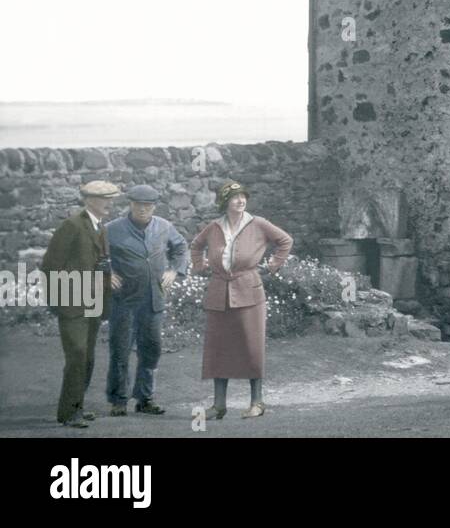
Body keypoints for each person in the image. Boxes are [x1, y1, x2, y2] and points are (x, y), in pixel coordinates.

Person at [190, 180, 293, 418]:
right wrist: (199, 265)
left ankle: (257, 402)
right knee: (218, 348)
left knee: (251, 347)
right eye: (235, 197)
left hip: (250, 291)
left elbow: (285, 241)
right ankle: (218, 406)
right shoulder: (214, 227)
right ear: (225, 202)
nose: (240, 200)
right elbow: (196, 245)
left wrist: (274, 264)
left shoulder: (257, 223)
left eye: (243, 196)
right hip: (218, 293)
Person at [105, 184, 189, 416]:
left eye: (148, 205)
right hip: (123, 302)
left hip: (153, 302)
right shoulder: (112, 229)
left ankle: (145, 398)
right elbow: (95, 254)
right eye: (138, 204)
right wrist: (105, 273)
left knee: (151, 350)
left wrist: (174, 271)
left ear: (154, 206)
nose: (143, 209)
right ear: (130, 204)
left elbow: (181, 247)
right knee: (120, 352)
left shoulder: (164, 226)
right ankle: (118, 400)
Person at [42, 180, 119, 427]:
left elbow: (96, 262)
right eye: (104, 198)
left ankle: (76, 406)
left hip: (93, 302)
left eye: (111, 198)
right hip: (72, 305)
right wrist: (58, 302)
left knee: (87, 358)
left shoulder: (100, 228)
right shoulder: (72, 225)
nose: (110, 203)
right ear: (88, 201)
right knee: (76, 356)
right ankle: (70, 413)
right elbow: (50, 266)